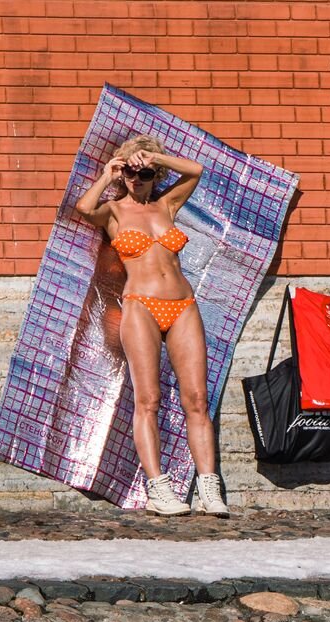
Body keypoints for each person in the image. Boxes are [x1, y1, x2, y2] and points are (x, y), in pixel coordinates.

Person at [75, 135, 228, 517]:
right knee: (149, 400)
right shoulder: (112, 211)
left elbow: (196, 171)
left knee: (197, 401)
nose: (137, 178)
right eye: (130, 171)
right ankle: (158, 488)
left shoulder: (166, 204)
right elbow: (82, 207)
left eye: (144, 172)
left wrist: (155, 156)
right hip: (140, 305)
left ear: (154, 172)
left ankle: (209, 487)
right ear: (121, 172)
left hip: (183, 306)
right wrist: (109, 173)